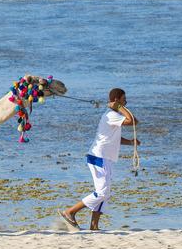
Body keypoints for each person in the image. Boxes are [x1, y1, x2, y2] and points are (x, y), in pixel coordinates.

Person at [60, 88, 140, 231]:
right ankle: (70, 212)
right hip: (99, 157)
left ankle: (94, 226)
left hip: (105, 158)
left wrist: (130, 142)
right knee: (102, 192)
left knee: (105, 193)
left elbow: (114, 138)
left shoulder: (113, 116)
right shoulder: (111, 115)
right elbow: (133, 121)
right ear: (116, 101)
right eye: (123, 99)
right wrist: (120, 107)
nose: (126, 102)